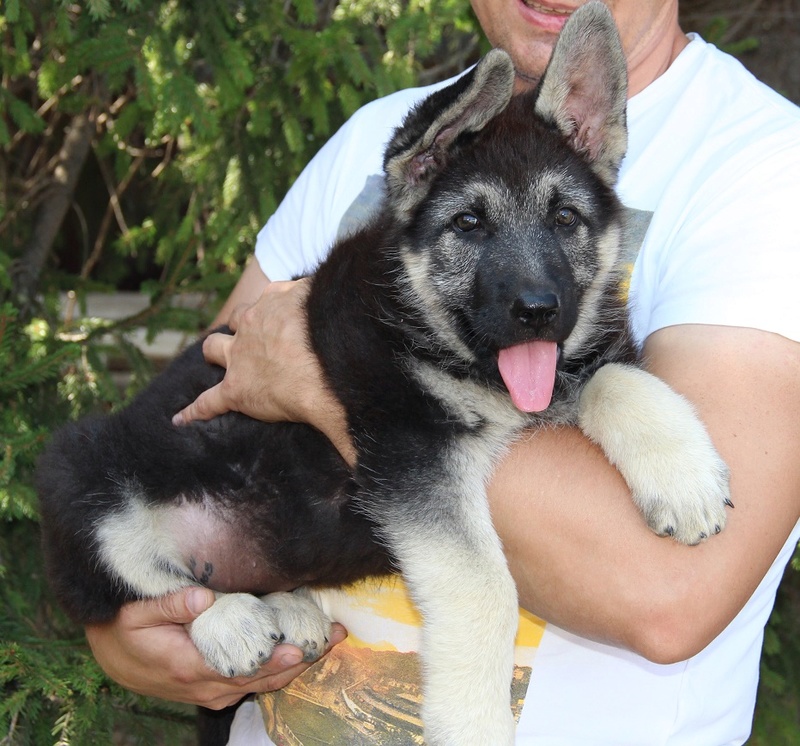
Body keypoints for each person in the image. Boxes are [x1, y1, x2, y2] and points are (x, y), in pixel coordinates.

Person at [85, 0, 800, 743]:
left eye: (563, 223)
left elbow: (669, 594)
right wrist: (126, 626)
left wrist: (323, 380)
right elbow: (201, 418)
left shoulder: (765, 168)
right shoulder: (377, 136)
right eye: (468, 223)